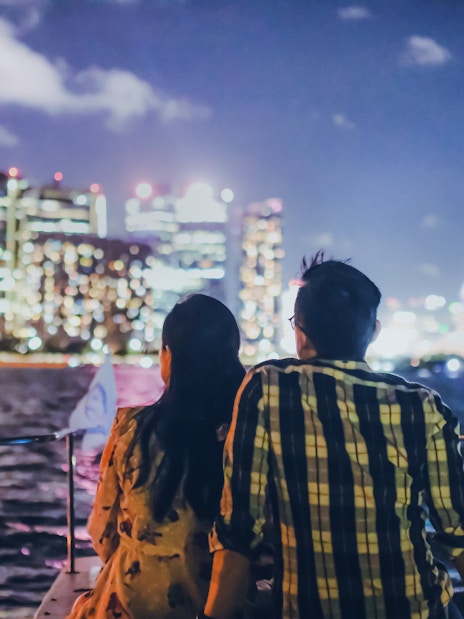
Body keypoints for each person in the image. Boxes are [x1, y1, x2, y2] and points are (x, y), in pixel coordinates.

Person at [202, 253, 464, 619]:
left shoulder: (267, 388)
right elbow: (457, 531)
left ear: (300, 332)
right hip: (415, 608)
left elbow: (239, 530)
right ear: (373, 331)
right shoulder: (422, 406)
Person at [67, 294, 245, 619]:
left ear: (169, 355)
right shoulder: (248, 433)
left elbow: (102, 533)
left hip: (134, 600)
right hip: (225, 602)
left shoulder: (132, 428)